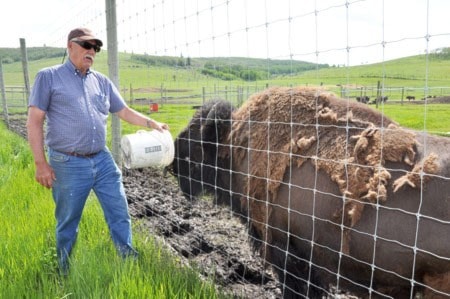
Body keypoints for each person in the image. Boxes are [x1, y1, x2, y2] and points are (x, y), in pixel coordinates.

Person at [26, 27, 169, 274]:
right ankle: (63, 271)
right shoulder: (48, 77)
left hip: (102, 160)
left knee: (120, 212)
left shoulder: (101, 81)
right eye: (86, 45)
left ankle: (128, 263)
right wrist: (41, 163)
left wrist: (151, 123)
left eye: (96, 47)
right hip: (67, 162)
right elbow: (34, 120)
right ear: (70, 45)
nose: (92, 51)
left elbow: (123, 111)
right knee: (68, 222)